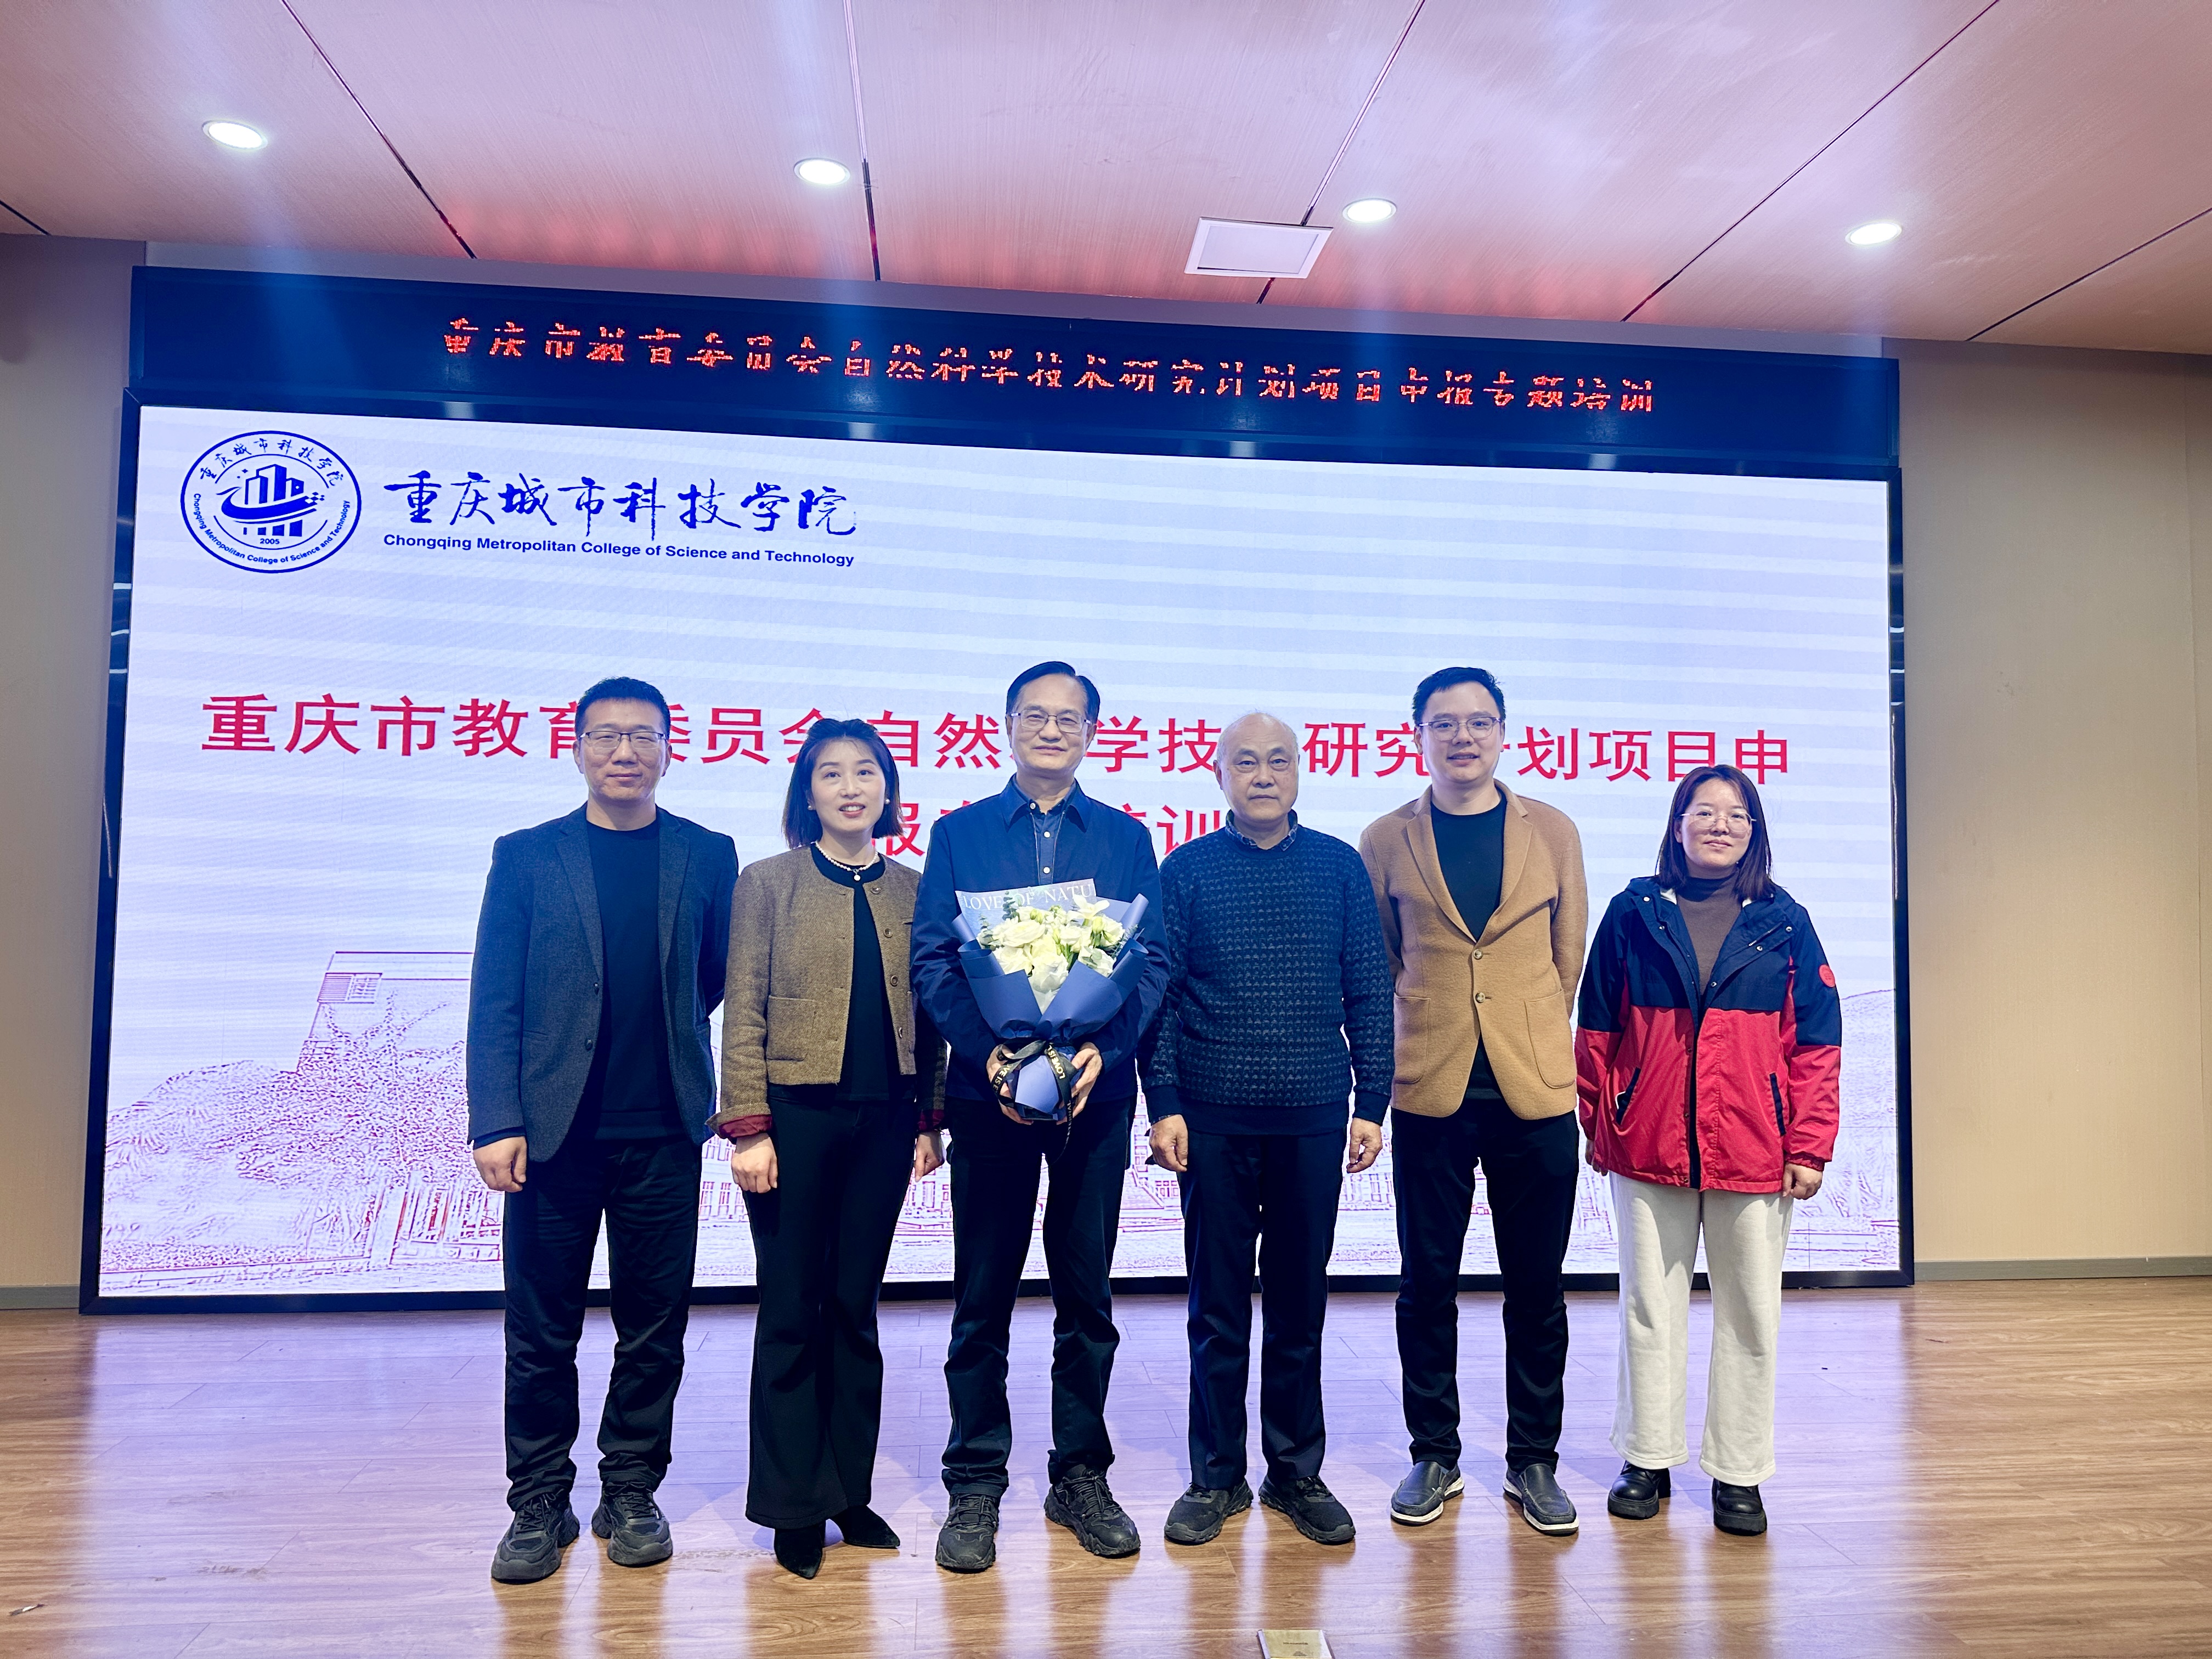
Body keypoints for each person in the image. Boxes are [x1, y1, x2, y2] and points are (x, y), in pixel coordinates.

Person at [465, 676, 738, 1584]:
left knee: (653, 1327)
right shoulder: (527, 856)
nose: (625, 751)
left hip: (663, 1128)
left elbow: (711, 974)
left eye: (643, 736)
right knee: (540, 1330)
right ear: (577, 747)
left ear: (669, 750)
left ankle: (631, 1489)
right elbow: (495, 997)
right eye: (607, 736)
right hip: (552, 1135)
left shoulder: (707, 854)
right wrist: (497, 1118)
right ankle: (539, 1500)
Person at [910, 661, 1170, 1572]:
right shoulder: (959, 834)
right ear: (1008, 726)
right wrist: (990, 1053)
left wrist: (1106, 1050)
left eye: (1069, 718)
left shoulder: (1128, 838)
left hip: (1096, 1100)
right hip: (989, 1098)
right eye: (1035, 715)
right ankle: (975, 1479)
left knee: (1086, 1295)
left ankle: (1080, 1475)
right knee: (981, 1295)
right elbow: (935, 960)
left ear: (1092, 733)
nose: (1051, 730)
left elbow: (1152, 961)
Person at [1142, 714, 1392, 1549]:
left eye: (1277, 761)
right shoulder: (1186, 870)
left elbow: (1368, 988)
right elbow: (1161, 999)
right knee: (1216, 1308)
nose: (1262, 775)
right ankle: (1217, 1476)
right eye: (1245, 762)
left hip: (1314, 1117)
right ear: (1218, 775)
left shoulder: (1339, 866)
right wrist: (1164, 1102)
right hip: (1211, 1121)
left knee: (1298, 1304)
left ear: (1299, 771)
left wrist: (1372, 1101)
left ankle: (1294, 1472)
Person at [1575, 764, 1840, 1537]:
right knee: (1649, 1308)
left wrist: (1809, 1144)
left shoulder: (1785, 922)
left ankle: (1739, 1471)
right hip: (1647, 1141)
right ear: (1678, 823)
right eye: (1704, 811)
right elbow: (1597, 1028)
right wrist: (1601, 1121)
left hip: (1755, 1148)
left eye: (1736, 815)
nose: (1719, 825)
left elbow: (1817, 1043)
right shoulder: (1633, 912)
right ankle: (1647, 1458)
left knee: (1750, 1313)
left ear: (1754, 832)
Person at [713, 719, 948, 1579]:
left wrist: (928, 1120)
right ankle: (792, 1508)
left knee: (855, 1307)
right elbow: (744, 1006)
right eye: (831, 774)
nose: (851, 787)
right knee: (792, 1307)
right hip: (794, 1118)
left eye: (866, 772)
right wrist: (749, 1125)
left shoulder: (916, 890)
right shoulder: (766, 883)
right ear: (806, 794)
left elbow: (933, 1013)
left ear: (888, 789)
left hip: (887, 1120)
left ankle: (848, 1491)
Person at [1358, 665, 1588, 1536]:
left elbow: (1567, 954)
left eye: (1480, 722)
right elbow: (1384, 957)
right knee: (1427, 1284)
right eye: (1445, 722)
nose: (1463, 737)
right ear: (1417, 733)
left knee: (1537, 1286)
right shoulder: (1386, 837)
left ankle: (1534, 1460)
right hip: (1433, 1085)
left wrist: (1528, 1026)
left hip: (1535, 1087)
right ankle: (1435, 1454)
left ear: (1502, 732)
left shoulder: (1552, 830)